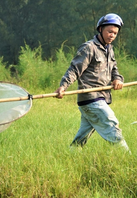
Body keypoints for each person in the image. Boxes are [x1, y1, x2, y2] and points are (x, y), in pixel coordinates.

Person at [55, 13, 130, 152]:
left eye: (115, 33)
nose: (112, 35)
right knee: (111, 123)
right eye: (109, 32)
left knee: (83, 135)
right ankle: (127, 157)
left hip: (102, 96)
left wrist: (118, 79)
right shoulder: (89, 48)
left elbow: (114, 68)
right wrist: (63, 86)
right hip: (91, 98)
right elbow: (74, 69)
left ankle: (71, 154)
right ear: (100, 29)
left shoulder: (109, 49)